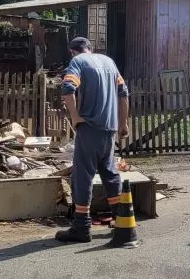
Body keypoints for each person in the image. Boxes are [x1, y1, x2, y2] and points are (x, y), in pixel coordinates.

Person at [56, 37, 130, 243]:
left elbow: (68, 88)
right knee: (110, 173)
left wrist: (75, 116)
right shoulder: (109, 62)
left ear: (72, 51)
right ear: (90, 48)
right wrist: (123, 124)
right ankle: (121, 219)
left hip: (89, 129)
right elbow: (123, 93)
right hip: (109, 130)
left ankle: (81, 227)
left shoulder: (78, 62)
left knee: (82, 176)